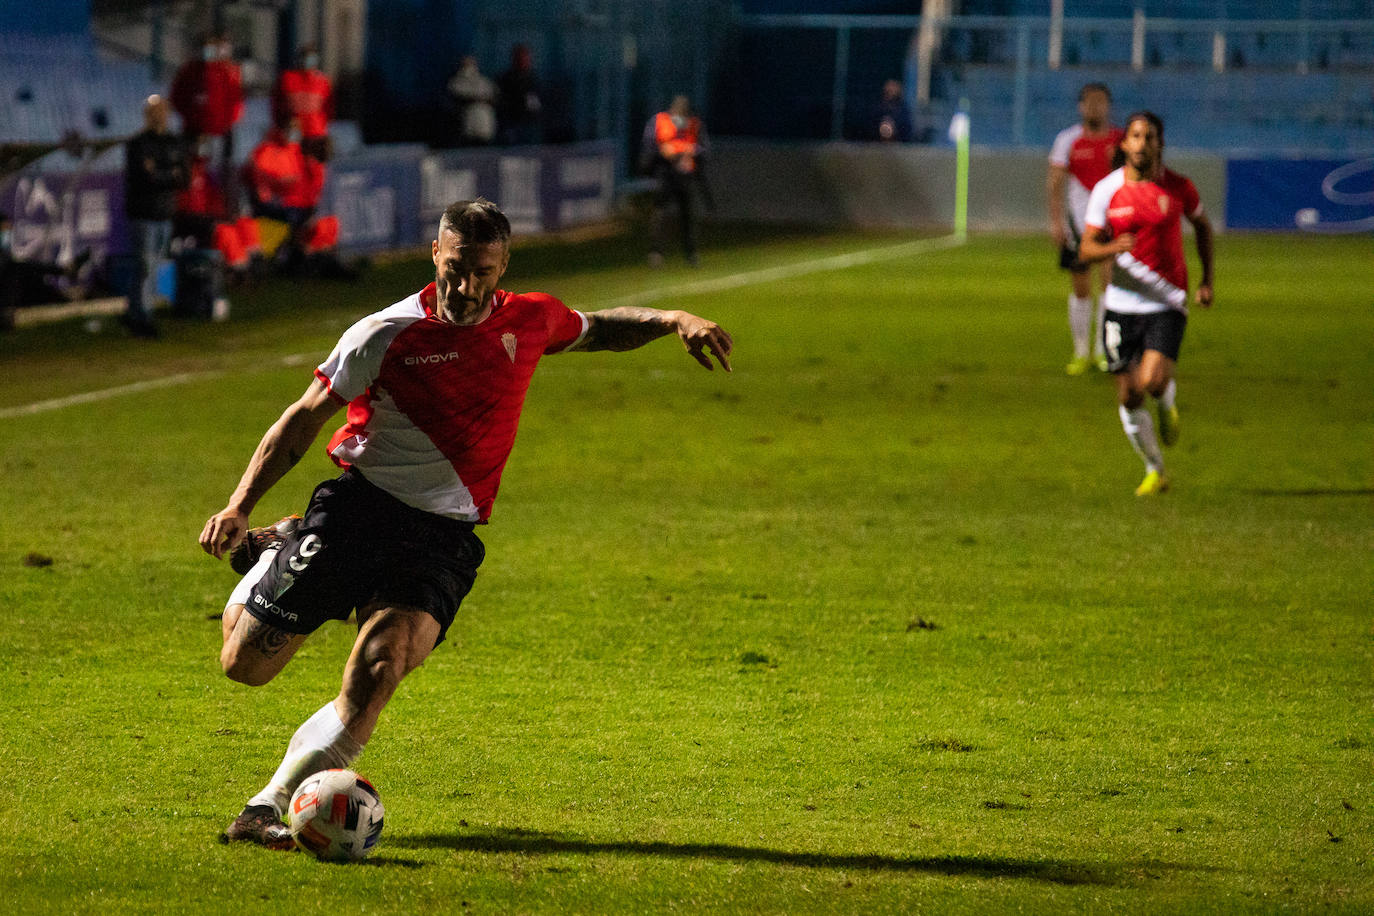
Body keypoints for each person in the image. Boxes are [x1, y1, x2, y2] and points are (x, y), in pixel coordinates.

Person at [199, 198, 733, 848]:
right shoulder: (384, 333)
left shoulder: (531, 319)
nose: (466, 285)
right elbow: (304, 418)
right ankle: (272, 548)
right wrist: (239, 505)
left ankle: (267, 806)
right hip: (357, 513)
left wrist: (676, 318)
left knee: (381, 666)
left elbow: (600, 327)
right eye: (455, 267)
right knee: (244, 666)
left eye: (482, 270)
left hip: (442, 539)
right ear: (435, 254)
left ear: (503, 265)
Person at [1078, 111, 1215, 497]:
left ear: (1160, 144)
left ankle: (1166, 397)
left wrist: (1206, 280)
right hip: (1120, 304)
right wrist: (1111, 247)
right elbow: (1086, 248)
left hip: (1167, 301)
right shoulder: (1106, 190)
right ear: (1125, 144)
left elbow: (1202, 227)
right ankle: (1155, 469)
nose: (1142, 143)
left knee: (1152, 381)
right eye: (1135, 136)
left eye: (1149, 136)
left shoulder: (1178, 187)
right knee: (1128, 394)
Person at [1047, 83, 1124, 375]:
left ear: (1109, 106)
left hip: (1111, 224)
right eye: (1090, 102)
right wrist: (1056, 221)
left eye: (1101, 102)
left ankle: (1103, 350)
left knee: (1110, 286)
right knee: (1080, 289)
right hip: (1077, 225)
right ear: (1081, 106)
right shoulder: (1067, 140)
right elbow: (1054, 183)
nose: (1095, 107)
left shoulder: (1120, 140)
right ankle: (1081, 351)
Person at [123, 94, 188, 338]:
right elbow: (143, 178)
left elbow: (184, 175)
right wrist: (167, 174)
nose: (159, 116)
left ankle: (135, 312)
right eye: (154, 111)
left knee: (152, 264)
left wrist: (159, 174)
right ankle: (142, 316)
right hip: (144, 213)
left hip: (164, 212)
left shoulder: (174, 141)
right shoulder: (138, 143)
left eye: (162, 111)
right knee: (145, 266)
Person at [169, 33, 243, 196]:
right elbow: (177, 97)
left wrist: (225, 123)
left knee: (223, 171)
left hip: (220, 131)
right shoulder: (188, 72)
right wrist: (191, 117)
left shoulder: (224, 72)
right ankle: (189, 203)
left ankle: (224, 205)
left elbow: (234, 100)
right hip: (193, 131)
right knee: (191, 170)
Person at [642, 95, 709, 267]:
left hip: (686, 175)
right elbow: (649, 145)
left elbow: (704, 148)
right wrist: (662, 151)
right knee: (660, 212)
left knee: (688, 215)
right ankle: (656, 252)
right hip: (665, 172)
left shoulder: (694, 124)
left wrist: (692, 150)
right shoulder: (659, 121)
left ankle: (691, 253)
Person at [272, 46, 333, 163]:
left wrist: (323, 125)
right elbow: (277, 103)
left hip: (315, 131)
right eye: (306, 57)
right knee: (293, 164)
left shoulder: (322, 81)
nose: (308, 61)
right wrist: (281, 124)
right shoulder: (287, 78)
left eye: (312, 58)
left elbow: (329, 107)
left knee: (314, 165)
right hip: (293, 130)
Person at [495, 44, 542, 145]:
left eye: (526, 58)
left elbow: (537, 99)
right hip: (512, 121)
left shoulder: (533, 78)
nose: (525, 61)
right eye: (521, 58)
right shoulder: (506, 78)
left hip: (530, 122)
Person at [447, 56, 497, 146]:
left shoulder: (484, 82)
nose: (469, 67)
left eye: (471, 64)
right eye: (466, 64)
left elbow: (493, 97)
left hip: (484, 126)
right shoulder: (456, 82)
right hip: (468, 126)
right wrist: (476, 99)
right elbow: (458, 97)